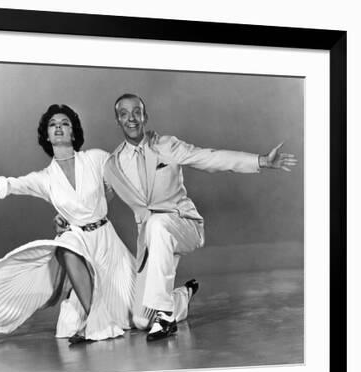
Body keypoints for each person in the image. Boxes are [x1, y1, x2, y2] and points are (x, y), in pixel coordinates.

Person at [0, 104, 139, 344]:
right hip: (78, 241)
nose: (59, 127)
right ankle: (98, 321)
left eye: (64, 123)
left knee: (141, 315)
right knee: (64, 246)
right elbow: (6, 186)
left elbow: (118, 185)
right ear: (47, 135)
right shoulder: (44, 178)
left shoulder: (96, 158)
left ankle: (176, 297)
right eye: (53, 125)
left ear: (74, 133)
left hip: (107, 242)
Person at [102, 93, 298, 341]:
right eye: (124, 114)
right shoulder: (112, 165)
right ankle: (182, 296)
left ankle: (164, 316)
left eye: (136, 112)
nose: (131, 118)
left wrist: (260, 161)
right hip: (151, 241)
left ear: (145, 116)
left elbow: (210, 156)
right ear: (117, 120)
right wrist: (65, 220)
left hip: (184, 225)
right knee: (140, 321)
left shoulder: (166, 145)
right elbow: (97, 201)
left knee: (158, 223)